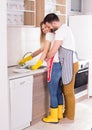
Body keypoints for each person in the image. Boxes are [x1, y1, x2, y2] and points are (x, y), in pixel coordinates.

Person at [19, 21, 64, 123]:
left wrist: (37, 64)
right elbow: (40, 50)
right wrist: (26, 59)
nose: (44, 30)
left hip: (53, 66)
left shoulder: (49, 36)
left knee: (53, 93)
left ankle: (53, 117)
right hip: (59, 66)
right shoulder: (54, 36)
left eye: (45, 27)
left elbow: (44, 53)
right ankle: (59, 114)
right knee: (58, 91)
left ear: (49, 26)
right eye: (42, 29)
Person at [43, 13, 79, 121]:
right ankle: (64, 113)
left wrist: (46, 58)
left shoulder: (60, 31)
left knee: (68, 92)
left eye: (49, 26)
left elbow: (54, 50)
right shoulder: (65, 28)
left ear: (54, 23)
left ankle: (70, 116)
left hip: (71, 64)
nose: (49, 29)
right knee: (64, 90)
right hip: (71, 63)